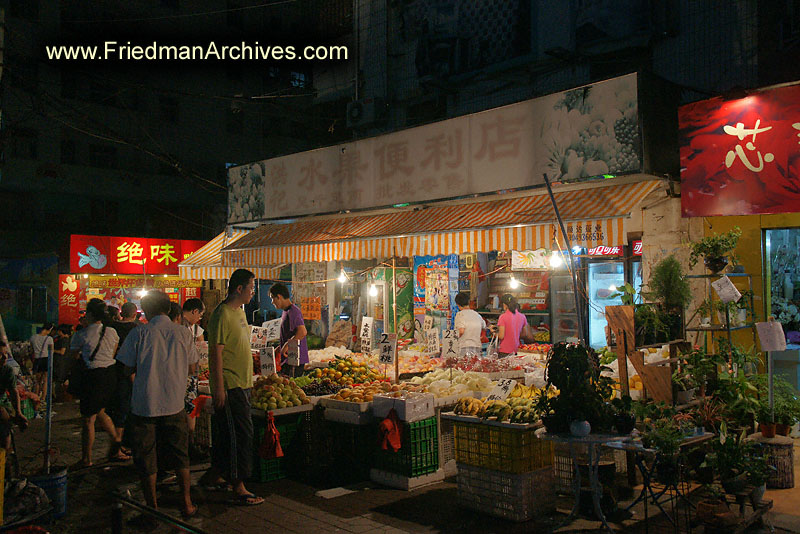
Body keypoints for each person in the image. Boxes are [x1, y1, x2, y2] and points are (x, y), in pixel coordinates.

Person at [116, 290, 199, 521]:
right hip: (175, 403)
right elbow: (193, 367)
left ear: (147, 310)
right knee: (181, 454)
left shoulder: (139, 333)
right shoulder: (183, 333)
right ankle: (187, 503)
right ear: (169, 309)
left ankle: (152, 507)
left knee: (146, 457)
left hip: (144, 405)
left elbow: (124, 368)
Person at [200, 269, 263, 506]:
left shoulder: (240, 313)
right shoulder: (222, 315)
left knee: (227, 435)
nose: (253, 292)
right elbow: (215, 353)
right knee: (240, 435)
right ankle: (239, 486)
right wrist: (219, 388)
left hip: (244, 383)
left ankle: (214, 475)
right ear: (239, 289)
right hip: (230, 385)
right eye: (251, 288)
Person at [69, 298, 129, 467]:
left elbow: (73, 357)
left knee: (88, 419)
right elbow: (113, 352)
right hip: (110, 375)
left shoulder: (81, 335)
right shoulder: (111, 332)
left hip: (93, 376)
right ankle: (117, 441)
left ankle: (87, 458)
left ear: (89, 314)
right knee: (101, 411)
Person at [110, 302, 140, 450]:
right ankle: (118, 446)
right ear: (135, 314)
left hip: (112, 371)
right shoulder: (137, 330)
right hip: (130, 373)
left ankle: (117, 443)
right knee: (126, 408)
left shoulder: (111, 328)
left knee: (118, 408)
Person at [181, 298, 205, 460]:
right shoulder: (183, 329)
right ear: (194, 311)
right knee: (189, 410)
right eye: (200, 315)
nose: (200, 318)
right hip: (186, 376)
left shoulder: (193, 329)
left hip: (185, 375)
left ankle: (188, 444)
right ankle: (188, 445)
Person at [268, 283, 308, 378]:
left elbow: (302, 332)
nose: (272, 302)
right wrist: (280, 346)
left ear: (279, 296)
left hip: (295, 359)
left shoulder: (294, 311)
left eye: (272, 298)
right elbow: (290, 334)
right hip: (289, 358)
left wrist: (286, 345)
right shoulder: (286, 311)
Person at [0, 341, 28, 454]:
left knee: (6, 427)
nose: (4, 357)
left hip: (2, 402)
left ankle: (5, 455)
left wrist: (18, 413)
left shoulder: (7, 370)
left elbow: (13, 391)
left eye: (6, 353)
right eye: (0, 354)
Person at [454, 292, 486, 357]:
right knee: (475, 365)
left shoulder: (460, 315)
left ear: (457, 304)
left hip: (464, 347)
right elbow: (484, 327)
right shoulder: (477, 314)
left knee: (464, 366)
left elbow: (461, 331)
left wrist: (453, 339)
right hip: (477, 347)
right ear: (468, 302)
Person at [30, 323, 55, 399]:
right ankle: (43, 398)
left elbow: (31, 350)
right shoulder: (49, 339)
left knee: (37, 381)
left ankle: (36, 397)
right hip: (46, 359)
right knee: (45, 380)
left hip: (37, 360)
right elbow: (52, 351)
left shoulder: (33, 337)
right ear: (49, 330)